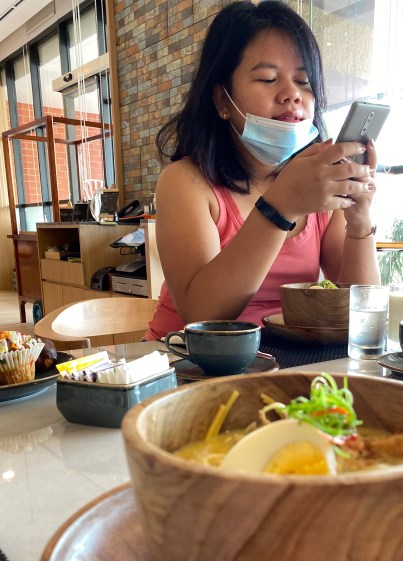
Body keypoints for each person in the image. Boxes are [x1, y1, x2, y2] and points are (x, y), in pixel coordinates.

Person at [144, 0, 380, 340]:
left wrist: (360, 221)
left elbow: (360, 315)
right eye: (268, 78)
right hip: (184, 358)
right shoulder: (185, 181)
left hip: (283, 361)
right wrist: (280, 206)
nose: (292, 94)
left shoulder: (319, 188)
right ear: (222, 100)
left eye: (304, 81)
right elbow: (201, 315)